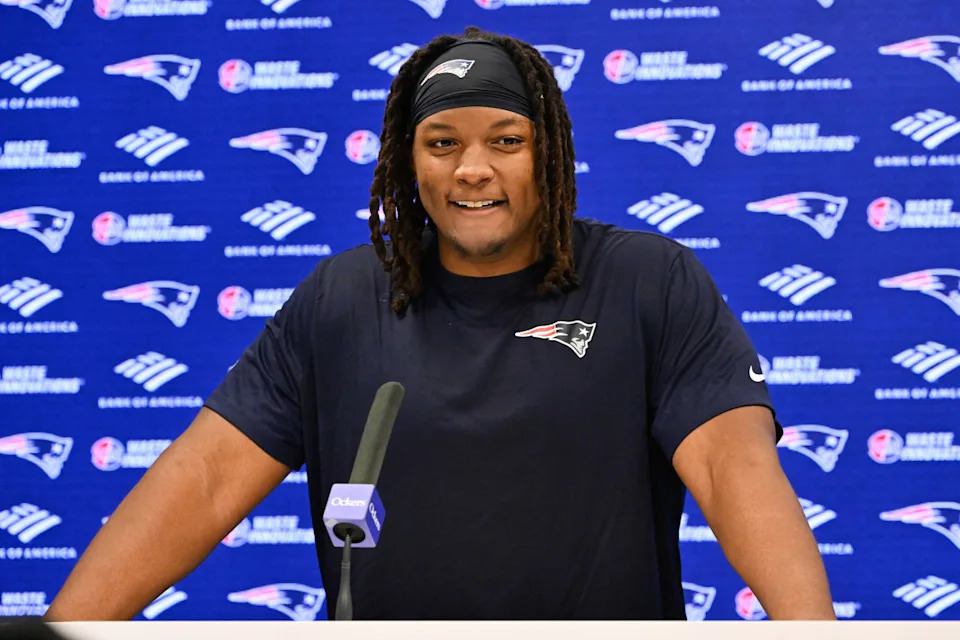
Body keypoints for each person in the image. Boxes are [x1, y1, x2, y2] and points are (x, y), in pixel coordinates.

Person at [46, 27, 835, 621]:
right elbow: (206, 478)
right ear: (408, 160)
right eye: (443, 143)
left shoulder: (647, 282)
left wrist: (811, 635)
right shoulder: (341, 298)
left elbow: (733, 467)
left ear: (549, 155)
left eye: (507, 141)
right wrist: (64, 632)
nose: (473, 168)